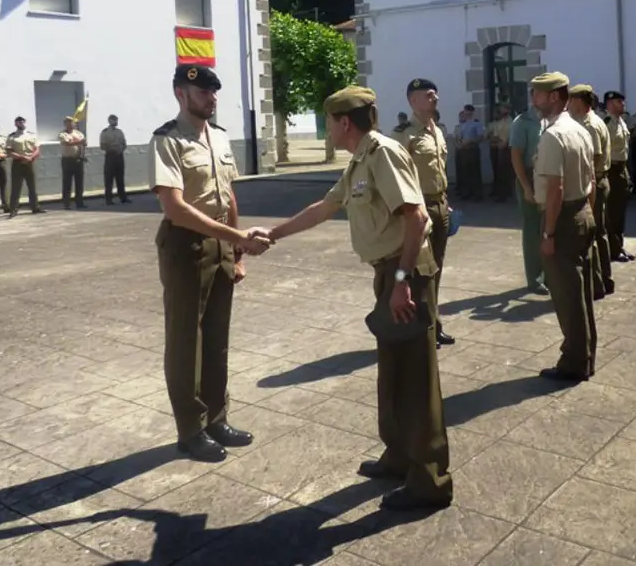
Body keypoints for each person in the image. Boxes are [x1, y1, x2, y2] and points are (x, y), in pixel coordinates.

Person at [265, 85, 454, 511]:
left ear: (343, 122)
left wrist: (403, 281)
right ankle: (398, 457)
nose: (328, 128)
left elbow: (418, 217)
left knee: (415, 384)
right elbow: (324, 207)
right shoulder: (361, 160)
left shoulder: (383, 153)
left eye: (329, 121)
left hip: (404, 275)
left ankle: (430, 482)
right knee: (391, 376)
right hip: (387, 276)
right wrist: (272, 235)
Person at [150, 63, 271, 462]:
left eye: (214, 92)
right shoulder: (167, 141)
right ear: (180, 94)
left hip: (220, 245)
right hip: (186, 246)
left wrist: (236, 254)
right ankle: (190, 429)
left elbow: (229, 196)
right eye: (203, 92)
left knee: (217, 339)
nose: (211, 98)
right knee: (187, 341)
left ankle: (217, 418)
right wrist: (237, 237)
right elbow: (175, 208)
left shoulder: (218, 138)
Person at [531, 72, 598, 382]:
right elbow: (593, 179)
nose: (534, 99)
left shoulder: (554, 135)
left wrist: (548, 233)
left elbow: (555, 188)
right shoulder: (579, 129)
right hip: (582, 211)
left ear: (554, 97)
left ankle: (573, 362)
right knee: (580, 293)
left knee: (567, 296)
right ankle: (585, 357)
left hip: (562, 217)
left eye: (538, 94)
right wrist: (588, 212)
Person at [397, 78, 456, 347]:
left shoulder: (438, 131)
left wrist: (446, 201)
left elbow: (439, 171)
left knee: (437, 269)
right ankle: (425, 328)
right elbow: (397, 179)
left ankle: (435, 322)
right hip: (418, 209)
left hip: (440, 205)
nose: (435, 99)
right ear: (413, 101)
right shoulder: (403, 135)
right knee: (421, 271)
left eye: (436, 94)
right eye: (429, 95)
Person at [569, 83, 613, 299]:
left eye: (571, 99)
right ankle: (605, 279)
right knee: (598, 233)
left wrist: (587, 189)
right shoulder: (588, 121)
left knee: (591, 236)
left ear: (579, 101)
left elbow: (593, 159)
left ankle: (598, 283)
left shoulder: (590, 125)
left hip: (593, 183)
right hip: (596, 181)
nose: (568, 104)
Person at [509, 100, 547, 294]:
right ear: (535, 97)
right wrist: (526, 187)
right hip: (530, 177)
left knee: (549, 227)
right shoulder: (522, 122)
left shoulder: (552, 119)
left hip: (550, 177)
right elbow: (516, 156)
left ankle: (549, 273)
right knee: (533, 230)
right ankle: (535, 277)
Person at [603, 91, 635, 262]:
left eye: (622, 101)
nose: (622, 104)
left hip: (622, 168)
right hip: (611, 170)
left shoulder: (621, 121)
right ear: (609, 104)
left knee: (621, 212)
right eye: (618, 102)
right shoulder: (606, 123)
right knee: (613, 213)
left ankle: (619, 246)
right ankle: (613, 250)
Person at [7, 116, 44, 216]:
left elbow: (37, 149)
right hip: (18, 163)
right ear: (16, 124)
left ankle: (35, 207)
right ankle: (13, 209)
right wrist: (22, 157)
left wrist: (30, 157)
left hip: (30, 162)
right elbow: (9, 152)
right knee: (16, 187)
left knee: (32, 186)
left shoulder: (32, 135)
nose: (21, 123)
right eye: (19, 122)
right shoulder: (12, 136)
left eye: (23, 121)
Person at [100, 114, 130, 205]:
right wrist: (112, 149)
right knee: (109, 179)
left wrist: (121, 149)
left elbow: (124, 143)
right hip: (110, 157)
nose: (115, 122)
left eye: (116, 120)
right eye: (113, 120)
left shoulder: (120, 132)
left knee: (120, 178)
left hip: (119, 156)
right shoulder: (105, 132)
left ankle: (123, 197)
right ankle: (108, 199)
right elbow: (103, 145)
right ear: (109, 121)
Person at [59, 117, 87, 210]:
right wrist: (79, 141)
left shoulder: (78, 133)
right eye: (68, 122)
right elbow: (67, 143)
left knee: (79, 182)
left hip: (78, 159)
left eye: (72, 122)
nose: (70, 124)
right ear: (65, 124)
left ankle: (79, 202)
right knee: (67, 182)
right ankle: (66, 203)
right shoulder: (62, 134)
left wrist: (82, 155)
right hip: (67, 160)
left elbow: (84, 144)